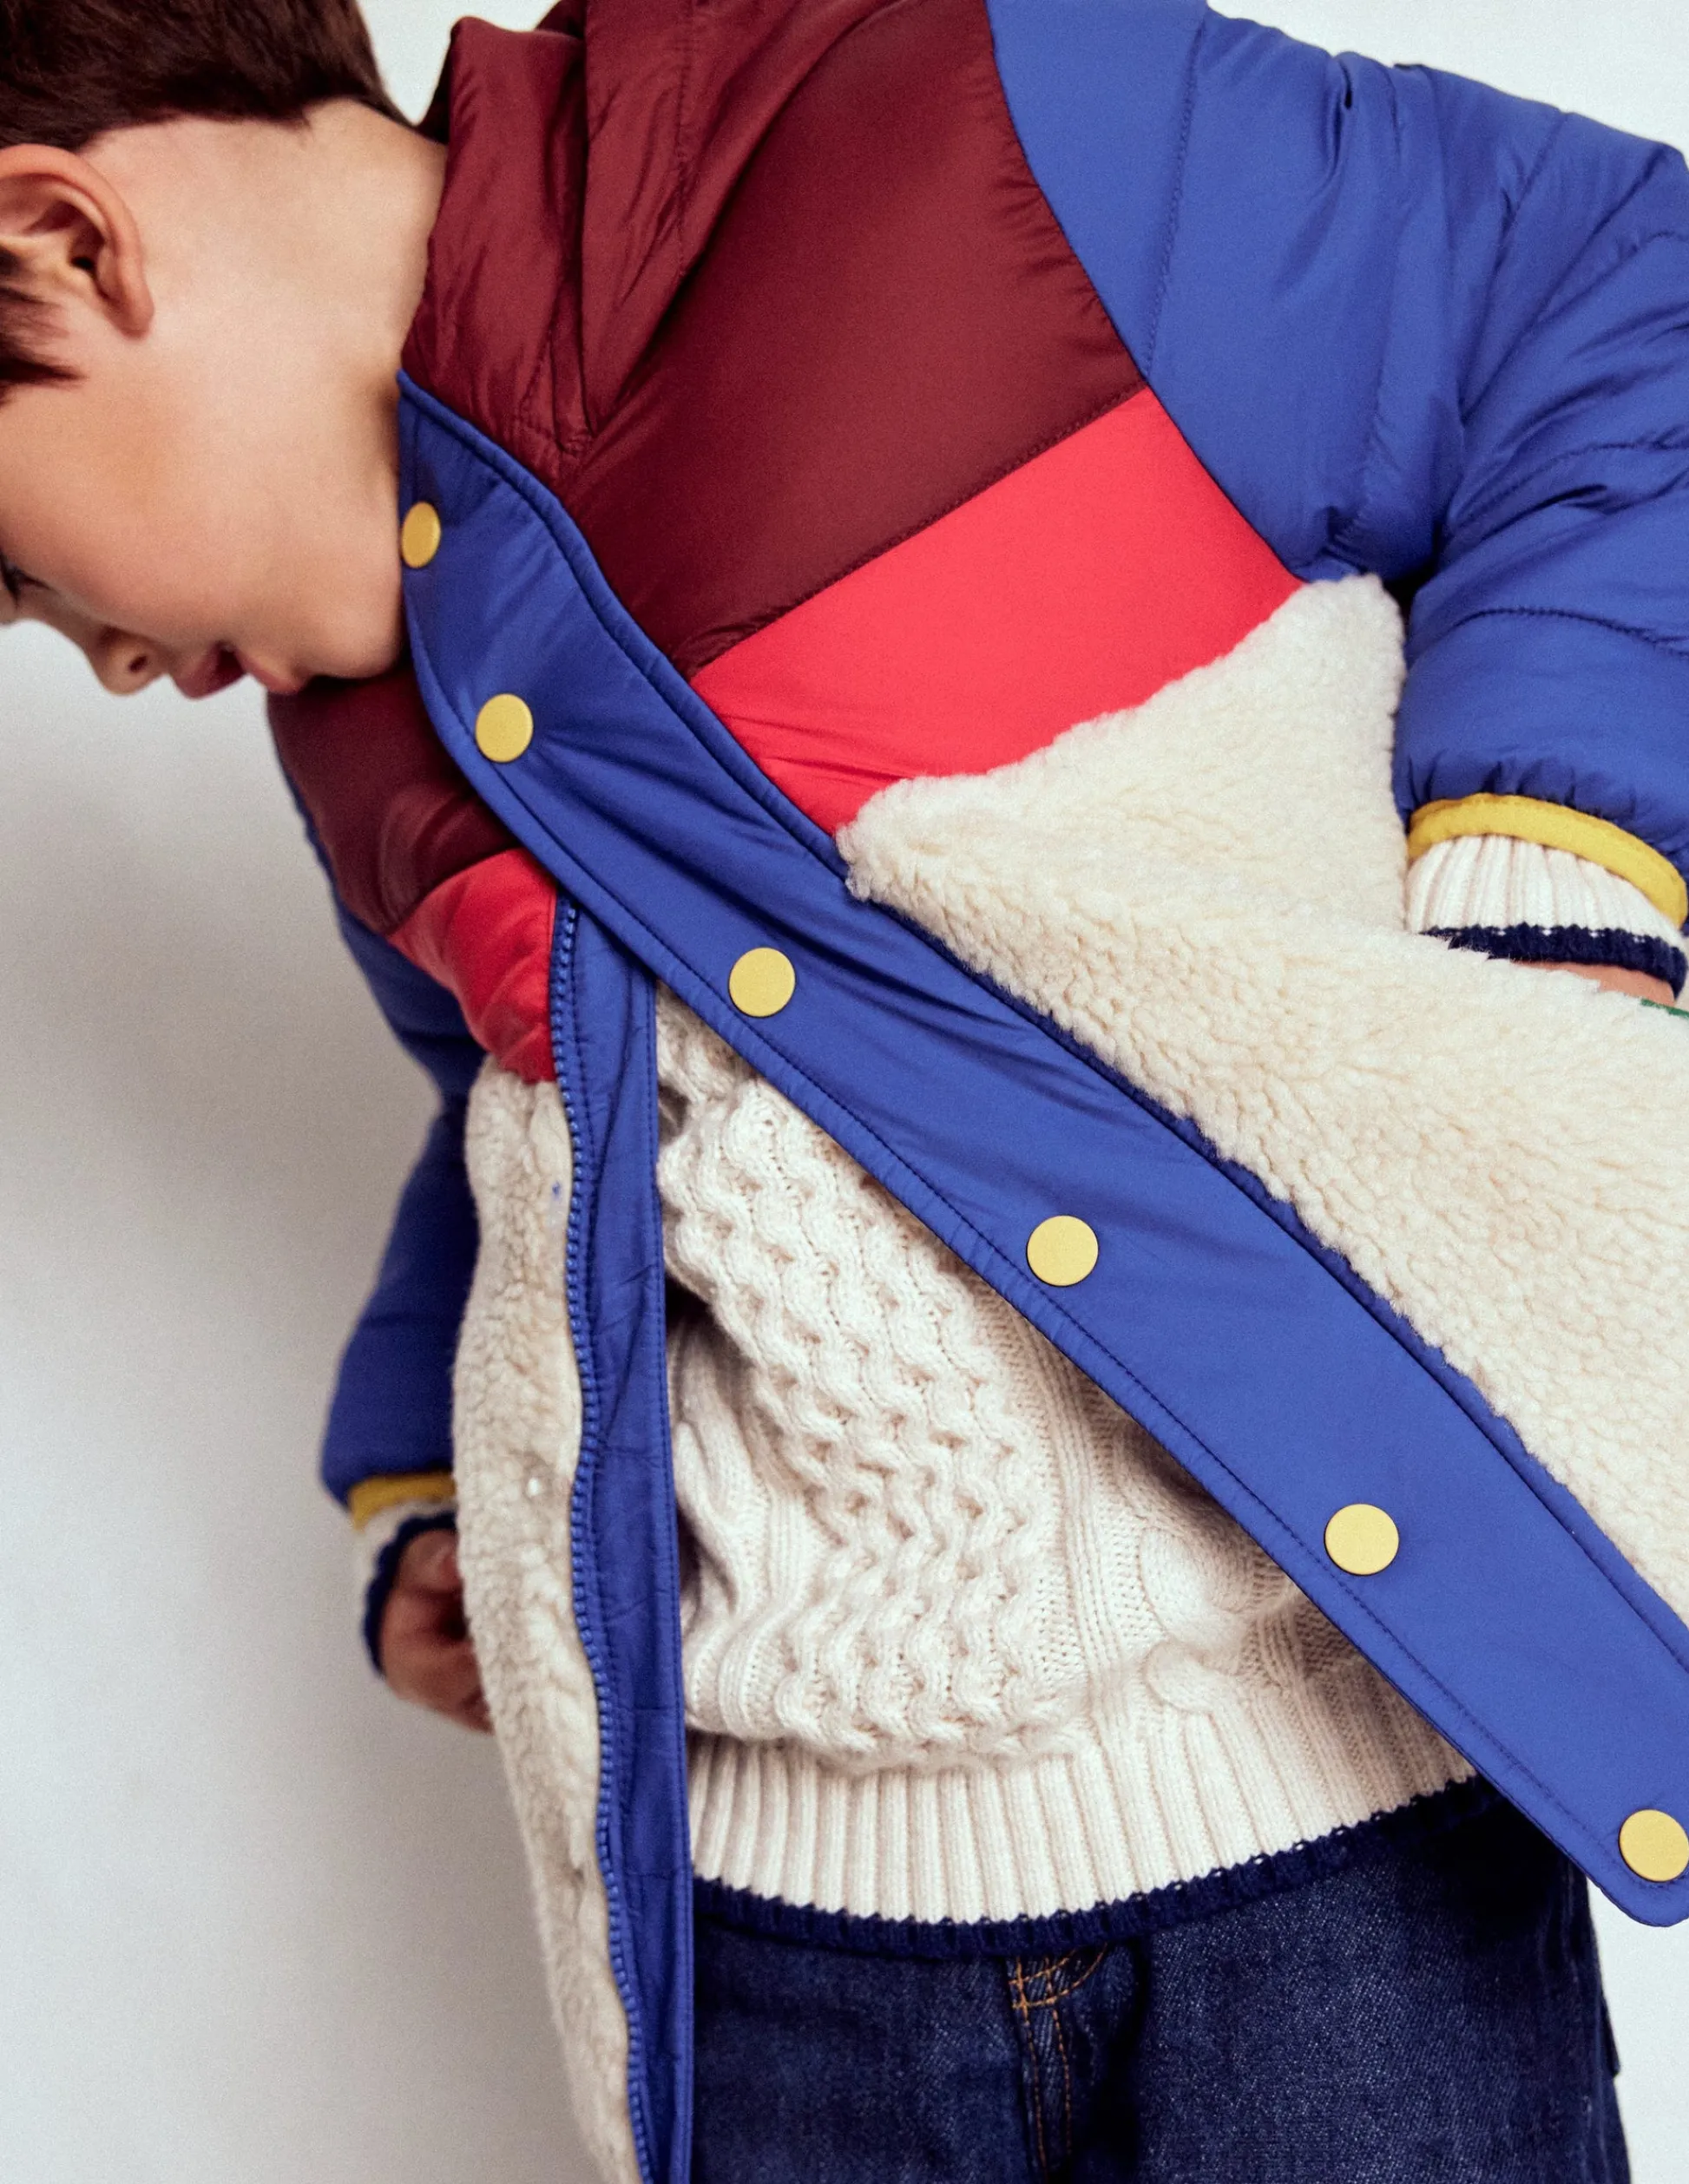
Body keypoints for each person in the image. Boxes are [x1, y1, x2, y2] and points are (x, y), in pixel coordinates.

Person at [5, 1, 1689, 2176]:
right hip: (775, 1961)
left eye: (25, 578)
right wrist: (439, 1488)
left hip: (1340, 1859)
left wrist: (1551, 881)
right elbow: (532, 1137)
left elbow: (1611, 287)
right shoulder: (349, 747)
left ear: (68, 243)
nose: (107, 659)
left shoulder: (949, 124)